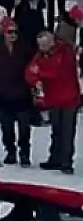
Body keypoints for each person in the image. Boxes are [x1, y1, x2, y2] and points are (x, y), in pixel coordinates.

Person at [26, 28, 80, 174]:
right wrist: (35, 79)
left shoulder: (66, 52)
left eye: (44, 45)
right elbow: (30, 71)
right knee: (56, 130)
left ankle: (66, 162)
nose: (41, 48)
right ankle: (55, 158)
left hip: (69, 98)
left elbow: (58, 72)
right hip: (53, 99)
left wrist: (40, 73)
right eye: (39, 45)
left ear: (51, 42)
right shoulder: (41, 55)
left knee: (67, 132)